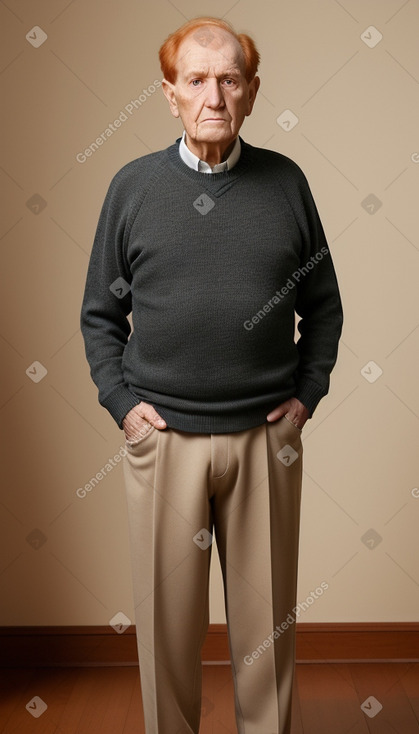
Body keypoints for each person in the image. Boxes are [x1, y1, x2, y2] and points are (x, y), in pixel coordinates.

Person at [80, 15, 343, 734]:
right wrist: (121, 404)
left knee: (266, 632)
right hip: (163, 437)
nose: (214, 97)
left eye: (230, 80)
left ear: (253, 92)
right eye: (196, 80)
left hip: (265, 437)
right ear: (169, 94)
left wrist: (306, 394)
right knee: (167, 632)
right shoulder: (131, 188)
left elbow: (323, 305)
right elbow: (99, 315)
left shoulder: (285, 183)